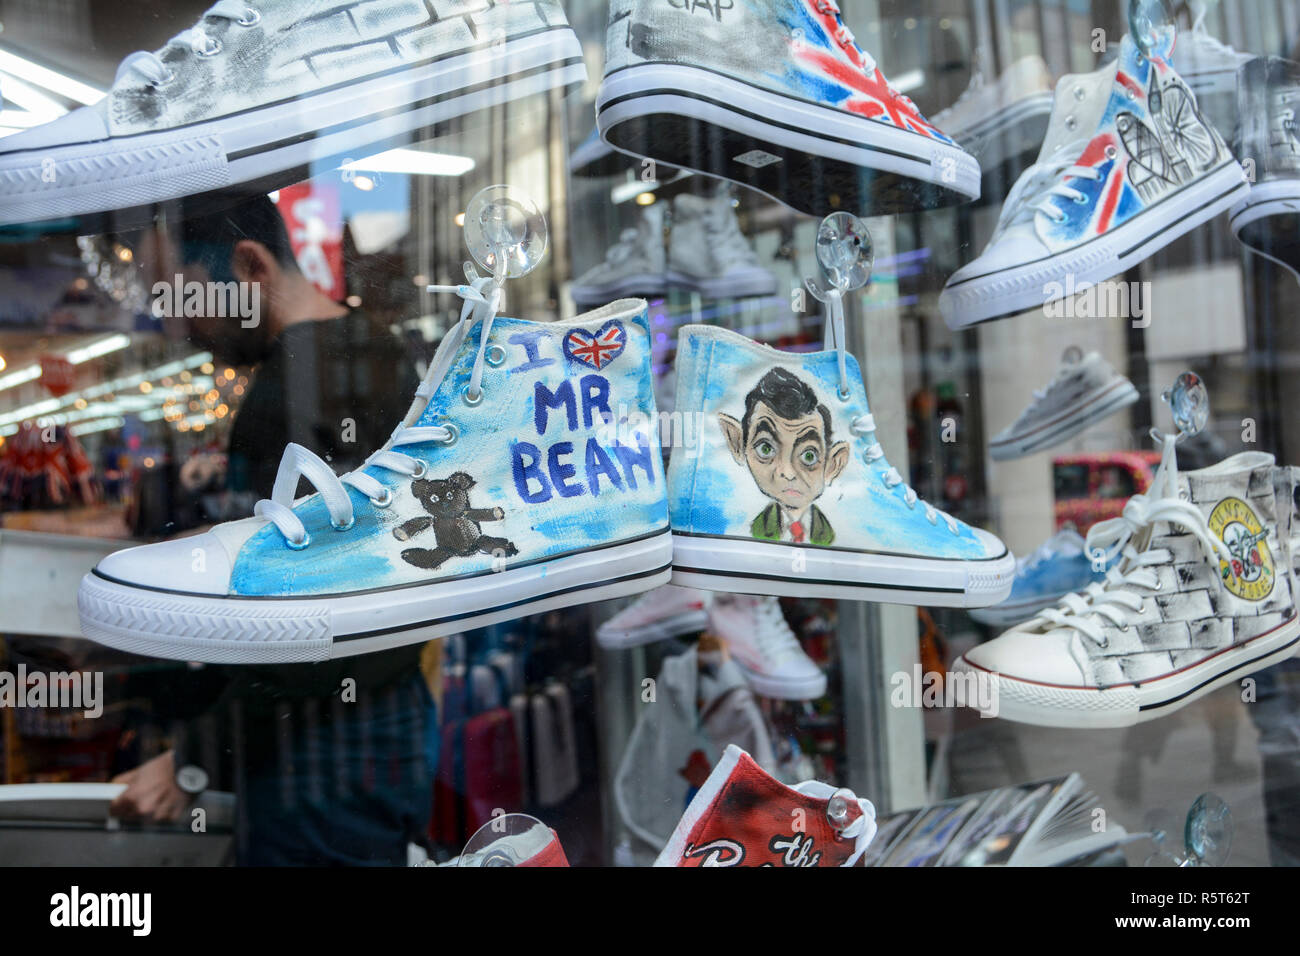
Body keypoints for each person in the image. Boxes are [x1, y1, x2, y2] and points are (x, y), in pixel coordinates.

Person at [109, 194, 438, 866]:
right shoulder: (372, 347)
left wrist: (191, 763)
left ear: (250, 266)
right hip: (376, 722)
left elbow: (306, 615)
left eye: (179, 296)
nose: (176, 324)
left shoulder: (291, 390)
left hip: (319, 753)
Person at [717, 367, 849, 545]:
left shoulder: (831, 531)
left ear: (834, 464)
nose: (787, 472)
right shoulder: (747, 523)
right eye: (765, 449)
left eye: (809, 456)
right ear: (737, 444)